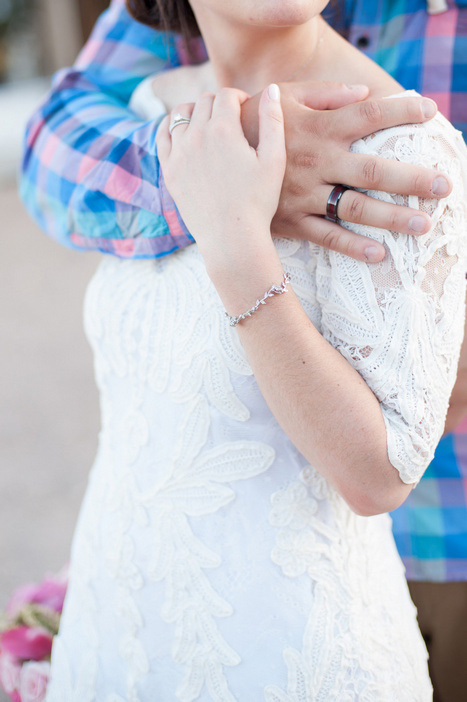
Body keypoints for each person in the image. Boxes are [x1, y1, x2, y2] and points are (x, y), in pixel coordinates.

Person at [20, 1, 467, 699]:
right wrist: (189, 176)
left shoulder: (402, 144)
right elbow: (47, 143)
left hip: (291, 653)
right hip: (120, 632)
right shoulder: (151, 111)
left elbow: (379, 476)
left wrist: (237, 248)